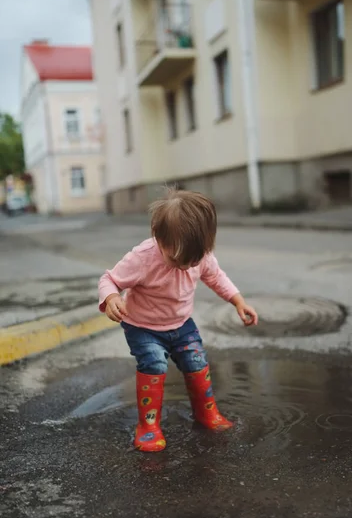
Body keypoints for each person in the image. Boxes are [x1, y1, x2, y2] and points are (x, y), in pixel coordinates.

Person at [98, 189, 258, 453]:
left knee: (197, 362)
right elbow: (109, 279)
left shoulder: (200, 254)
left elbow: (217, 277)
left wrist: (238, 300)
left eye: (192, 261)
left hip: (182, 324)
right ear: (157, 236)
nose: (185, 267)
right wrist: (112, 297)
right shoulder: (143, 257)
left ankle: (207, 414)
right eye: (177, 260)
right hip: (143, 326)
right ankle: (148, 427)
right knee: (154, 364)